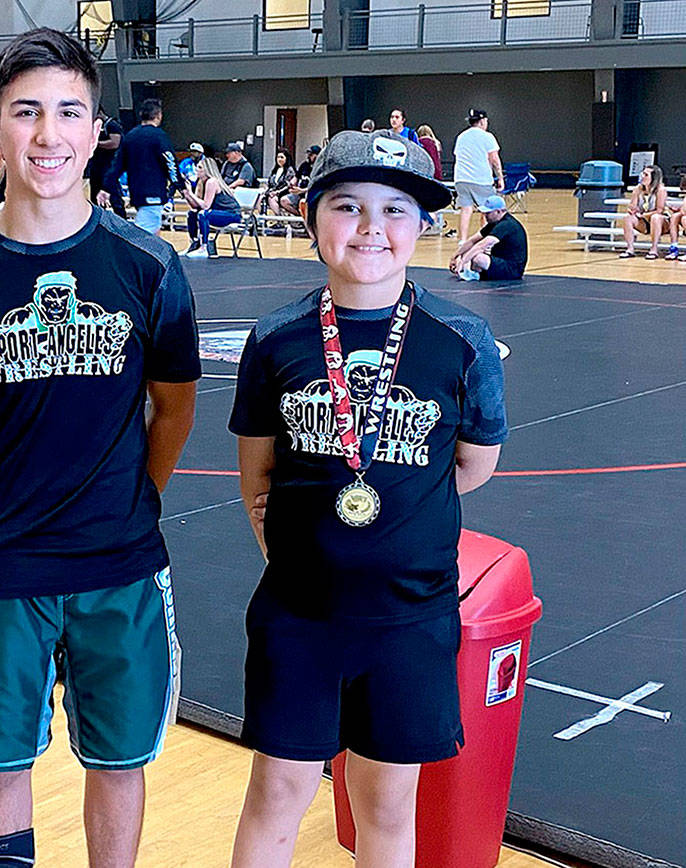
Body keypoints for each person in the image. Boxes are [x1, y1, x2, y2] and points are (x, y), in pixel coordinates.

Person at [0, 28, 200, 868]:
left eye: (69, 111)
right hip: (3, 567)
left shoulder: (148, 266)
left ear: (95, 129)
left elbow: (173, 408)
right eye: (26, 112)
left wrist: (133, 499)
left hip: (121, 561)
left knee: (119, 757)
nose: (48, 134)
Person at [228, 129, 505, 868]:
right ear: (314, 216)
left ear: (421, 226)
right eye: (347, 206)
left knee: (386, 805)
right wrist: (299, 553)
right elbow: (257, 475)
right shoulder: (276, 339)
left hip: (409, 619)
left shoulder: (463, 339)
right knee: (278, 792)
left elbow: (474, 463)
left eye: (395, 210)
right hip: (299, 616)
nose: (371, 229)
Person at [98, 98, 176, 235]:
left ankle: (154, 256)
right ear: (158, 115)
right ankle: (129, 255)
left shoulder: (130, 137)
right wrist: (180, 186)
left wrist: (106, 187)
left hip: (137, 192)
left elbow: (117, 165)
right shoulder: (159, 136)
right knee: (144, 234)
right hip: (153, 192)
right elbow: (170, 162)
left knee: (154, 232)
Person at [453, 108, 503, 240]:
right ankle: (484, 237)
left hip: (461, 179)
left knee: (466, 209)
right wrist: (500, 177)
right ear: (482, 121)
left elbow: (458, 155)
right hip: (481, 179)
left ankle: (462, 240)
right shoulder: (488, 137)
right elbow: (494, 159)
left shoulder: (461, 136)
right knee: (486, 210)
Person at [449, 194, 527, 280]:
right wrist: (455, 256)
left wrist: (463, 262)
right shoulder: (494, 223)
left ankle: (477, 274)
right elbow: (472, 241)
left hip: (513, 269)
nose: (485, 216)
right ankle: (479, 274)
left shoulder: (506, 225)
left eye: (488, 213)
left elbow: (482, 245)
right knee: (472, 254)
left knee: (478, 257)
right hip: (501, 261)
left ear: (498, 211)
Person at [181, 156, 242, 259]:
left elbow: (205, 206)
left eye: (200, 167)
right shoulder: (202, 183)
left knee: (203, 214)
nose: (196, 169)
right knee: (192, 213)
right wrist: (187, 194)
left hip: (232, 215)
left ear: (207, 170)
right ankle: (194, 243)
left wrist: (191, 193)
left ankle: (204, 248)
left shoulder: (212, 182)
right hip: (218, 213)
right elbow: (196, 206)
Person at [619, 165, 668, 259]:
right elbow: (632, 207)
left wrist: (643, 215)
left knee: (655, 217)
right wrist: (632, 208)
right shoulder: (638, 189)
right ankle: (630, 249)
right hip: (644, 220)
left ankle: (654, 249)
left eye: (646, 175)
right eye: (642, 174)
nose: (642, 176)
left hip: (661, 221)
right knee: (627, 218)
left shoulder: (661, 190)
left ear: (653, 178)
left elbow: (659, 210)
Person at [88, 108, 125, 217]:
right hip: (95, 166)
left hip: (108, 166)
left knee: (114, 196)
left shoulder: (112, 125)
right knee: (95, 196)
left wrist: (96, 143)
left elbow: (115, 143)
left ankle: (122, 221)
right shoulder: (91, 126)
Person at [279, 145, 320, 216]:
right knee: (284, 200)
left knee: (304, 201)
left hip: (312, 194)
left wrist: (303, 190)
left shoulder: (320, 168)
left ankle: (306, 219)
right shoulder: (304, 165)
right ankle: (300, 216)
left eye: (311, 155)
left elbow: (318, 186)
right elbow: (296, 177)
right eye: (308, 154)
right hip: (299, 193)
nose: (308, 156)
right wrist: (291, 184)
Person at [263, 149, 296, 216]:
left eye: (282, 157)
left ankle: (278, 219)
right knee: (260, 197)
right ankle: (262, 220)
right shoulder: (275, 170)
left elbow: (288, 185)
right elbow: (270, 183)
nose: (279, 159)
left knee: (272, 199)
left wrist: (277, 192)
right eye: (278, 157)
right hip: (272, 191)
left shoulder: (290, 170)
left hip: (283, 192)